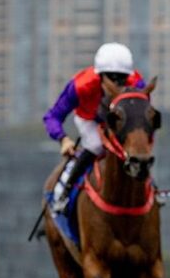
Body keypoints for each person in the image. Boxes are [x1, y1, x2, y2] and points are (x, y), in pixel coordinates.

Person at [42, 42, 145, 214]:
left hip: (119, 121)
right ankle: (64, 194)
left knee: (135, 149)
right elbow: (52, 116)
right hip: (89, 120)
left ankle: (152, 190)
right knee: (96, 146)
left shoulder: (137, 84)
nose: (119, 84)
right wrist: (63, 139)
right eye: (113, 78)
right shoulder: (79, 86)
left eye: (123, 78)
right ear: (100, 76)